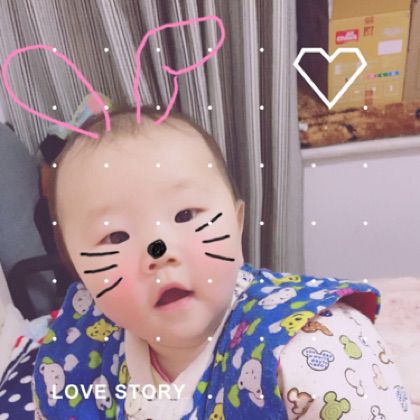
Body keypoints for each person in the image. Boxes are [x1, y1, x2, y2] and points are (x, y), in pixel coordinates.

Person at [32, 105, 414, 419]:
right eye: (115, 236)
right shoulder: (79, 351)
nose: (158, 252)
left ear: (238, 222)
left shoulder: (311, 350)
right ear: (80, 274)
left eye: (185, 215)